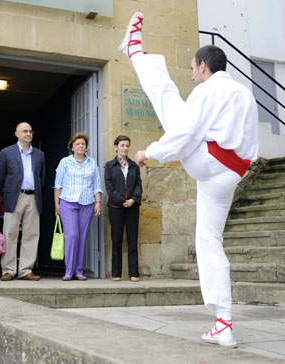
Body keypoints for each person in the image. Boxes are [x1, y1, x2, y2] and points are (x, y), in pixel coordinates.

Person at [119, 12, 258, 348]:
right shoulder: (245, 93)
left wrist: (149, 152)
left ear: (203, 66)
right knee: (210, 240)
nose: (193, 76)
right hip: (233, 172)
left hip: (209, 162)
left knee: (169, 101)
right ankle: (223, 322)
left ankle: (135, 50)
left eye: (194, 70)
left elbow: (185, 134)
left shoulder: (211, 90)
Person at [0, 122, 45, 281]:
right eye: (25, 131)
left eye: (30, 131)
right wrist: (7, 193)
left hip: (33, 197)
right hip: (14, 197)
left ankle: (26, 270)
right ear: (16, 134)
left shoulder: (39, 155)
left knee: (31, 234)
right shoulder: (6, 153)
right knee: (10, 233)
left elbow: (41, 178)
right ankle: (8, 270)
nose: (28, 134)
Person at [54, 132, 102, 281]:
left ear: (86, 147)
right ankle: (68, 271)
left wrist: (98, 203)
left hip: (87, 204)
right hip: (68, 202)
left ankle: (78, 271)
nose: (81, 146)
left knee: (82, 237)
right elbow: (58, 185)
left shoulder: (92, 163)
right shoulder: (65, 162)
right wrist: (57, 204)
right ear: (72, 147)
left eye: (83, 144)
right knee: (72, 235)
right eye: (77, 144)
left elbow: (97, 185)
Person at [105, 135, 142, 282]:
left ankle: (134, 273)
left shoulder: (134, 166)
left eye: (127, 145)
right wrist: (122, 201)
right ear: (116, 147)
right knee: (117, 240)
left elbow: (139, 185)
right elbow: (109, 187)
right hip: (116, 208)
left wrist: (133, 200)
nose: (125, 148)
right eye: (122, 145)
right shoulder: (109, 166)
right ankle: (116, 273)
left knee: (133, 240)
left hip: (132, 208)